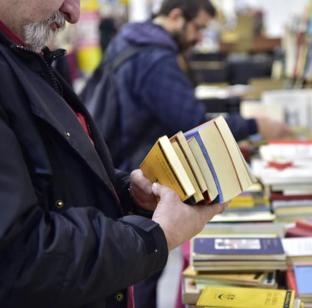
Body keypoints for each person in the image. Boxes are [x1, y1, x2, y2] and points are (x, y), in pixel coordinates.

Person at [0, 1, 225, 307]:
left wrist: (125, 192)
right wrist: (154, 237)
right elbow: (21, 257)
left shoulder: (23, 56)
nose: (73, 13)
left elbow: (50, 178)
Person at [94, 0, 291, 172]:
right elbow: (194, 126)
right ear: (176, 16)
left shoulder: (130, 40)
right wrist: (254, 125)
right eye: (198, 28)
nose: (199, 38)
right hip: (136, 171)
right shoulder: (155, 60)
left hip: (118, 161)